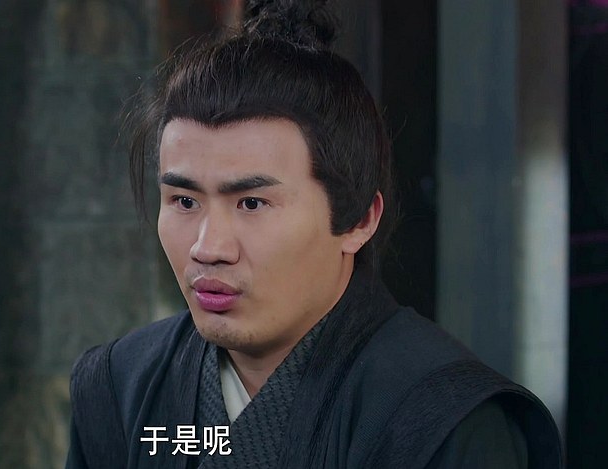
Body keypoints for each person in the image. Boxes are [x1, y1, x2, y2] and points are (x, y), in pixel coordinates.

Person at [66, 1, 563, 467]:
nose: (208, 248)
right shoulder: (119, 387)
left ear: (359, 220)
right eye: (185, 201)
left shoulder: (443, 420)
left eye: (252, 203)